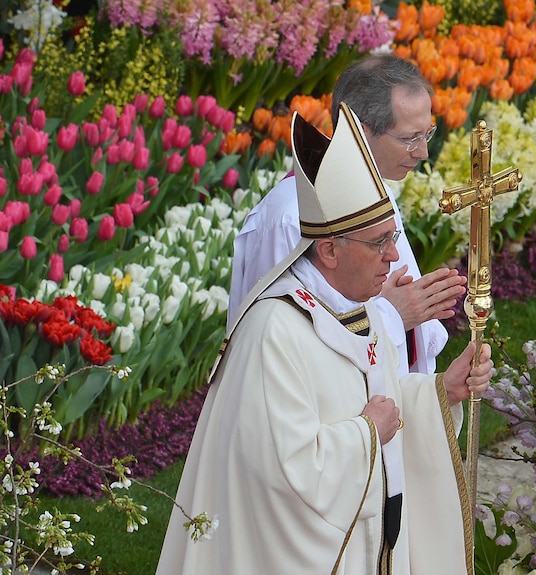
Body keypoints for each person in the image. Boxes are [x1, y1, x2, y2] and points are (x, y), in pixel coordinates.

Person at [155, 104, 492, 574]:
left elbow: (378, 397)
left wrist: (442, 392)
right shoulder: (274, 331)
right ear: (329, 250)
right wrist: (367, 434)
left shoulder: (361, 304)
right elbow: (280, 470)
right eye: (379, 243)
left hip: (373, 543)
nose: (393, 257)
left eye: (392, 237)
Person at [228, 53, 466, 377]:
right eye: (410, 138)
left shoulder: (374, 188)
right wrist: (393, 317)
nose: (423, 153)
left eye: (427, 134)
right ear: (360, 131)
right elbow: (280, 343)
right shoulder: (288, 220)